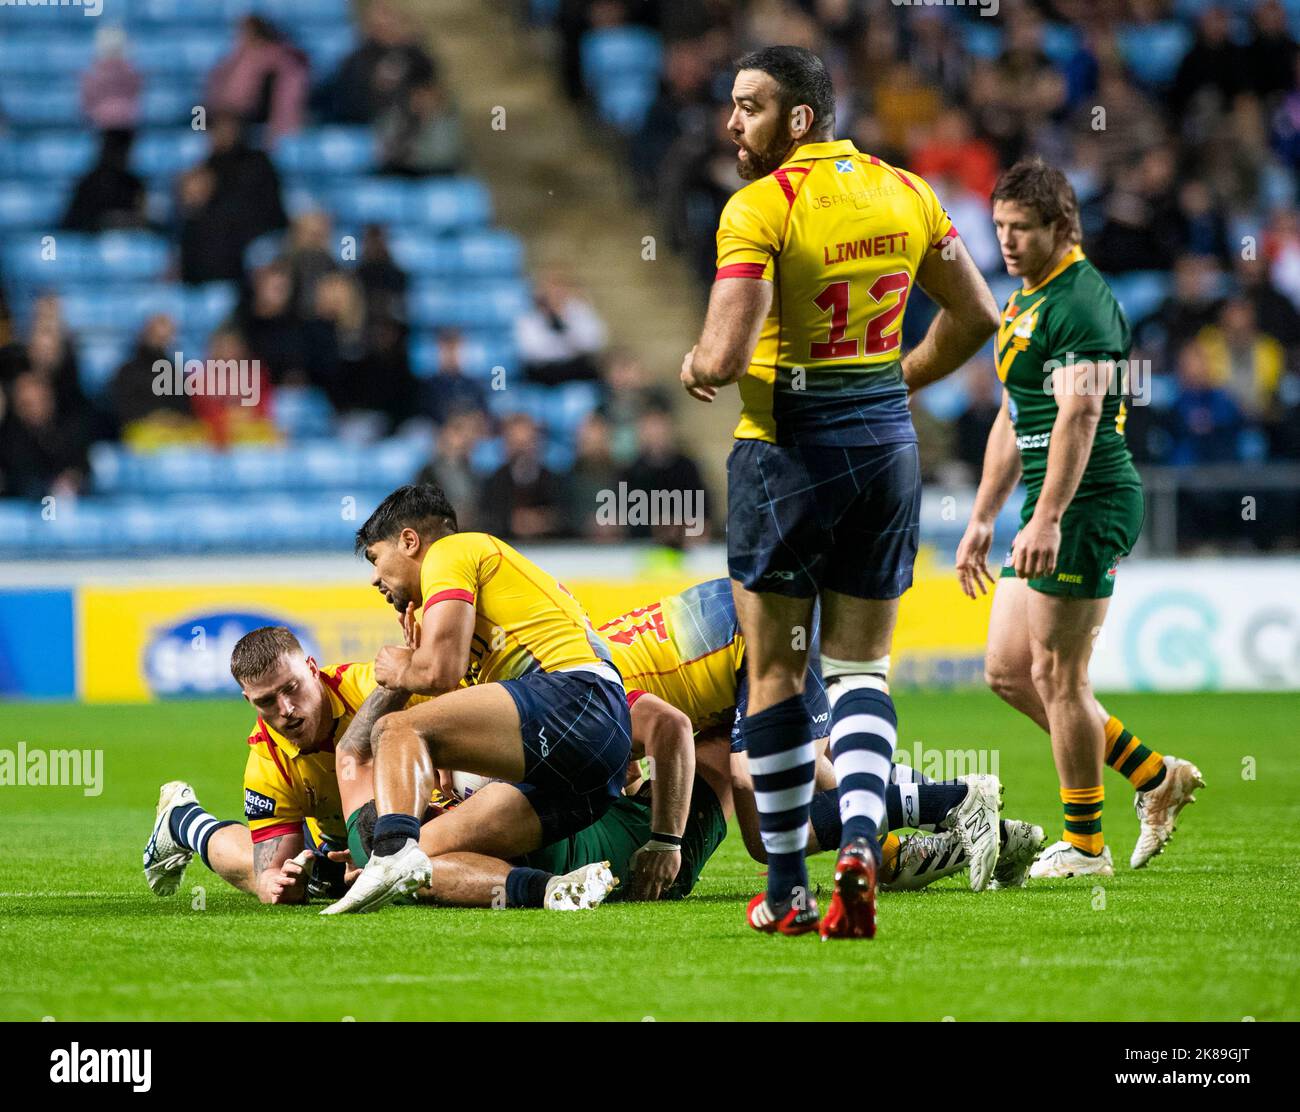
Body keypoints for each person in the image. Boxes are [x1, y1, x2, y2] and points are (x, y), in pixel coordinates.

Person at [678, 46, 999, 939]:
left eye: (749, 107)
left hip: (786, 460)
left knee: (777, 675)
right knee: (862, 671)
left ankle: (787, 889)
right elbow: (977, 316)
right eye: (731, 105)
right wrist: (897, 380)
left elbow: (728, 354)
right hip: (886, 454)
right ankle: (860, 840)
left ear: (800, 120)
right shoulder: (905, 190)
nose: (732, 122)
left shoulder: (760, 207)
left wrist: (695, 364)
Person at [955, 158, 1204, 880]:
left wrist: (1050, 517)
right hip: (1045, 504)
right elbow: (1014, 413)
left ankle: (1085, 846)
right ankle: (1156, 776)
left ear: (1062, 227)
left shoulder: (1086, 304)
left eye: (1021, 229)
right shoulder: (1021, 300)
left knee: (1060, 674)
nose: (1005, 241)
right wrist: (983, 517)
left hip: (1087, 502)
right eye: (999, 226)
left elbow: (1081, 413)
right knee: (1008, 672)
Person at [322, 484, 633, 914]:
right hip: (591, 764)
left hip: (576, 697)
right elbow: (459, 688)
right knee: (424, 856)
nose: (375, 578)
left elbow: (439, 671)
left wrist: (402, 669)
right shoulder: (482, 598)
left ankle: (387, 855)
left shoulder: (450, 553)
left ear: (410, 541)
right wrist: (419, 658)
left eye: (376, 559)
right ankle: (555, 890)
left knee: (394, 729)